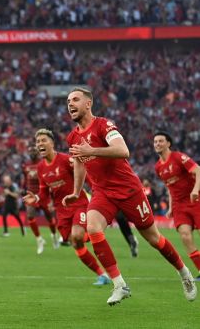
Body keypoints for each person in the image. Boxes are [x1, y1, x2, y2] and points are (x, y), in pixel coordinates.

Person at [63, 87, 196, 305]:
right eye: (68, 101)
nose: (70, 104)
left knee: (154, 239)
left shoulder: (104, 125)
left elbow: (123, 150)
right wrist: (76, 192)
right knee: (93, 228)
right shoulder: (73, 136)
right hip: (102, 192)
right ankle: (119, 284)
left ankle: (184, 273)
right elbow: (79, 161)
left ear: (88, 104)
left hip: (129, 190)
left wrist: (92, 151)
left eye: (75, 99)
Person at [23, 129, 110, 286]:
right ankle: (102, 275)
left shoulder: (65, 160)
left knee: (77, 236)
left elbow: (85, 175)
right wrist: (35, 198)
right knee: (76, 243)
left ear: (52, 143)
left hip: (78, 204)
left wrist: (97, 192)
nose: (40, 144)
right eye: (38, 142)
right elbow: (44, 193)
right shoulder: (41, 168)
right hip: (61, 211)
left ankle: (95, 229)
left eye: (43, 140)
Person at [154, 131, 200, 280]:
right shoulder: (158, 167)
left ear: (168, 143)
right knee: (185, 236)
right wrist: (170, 207)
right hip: (180, 206)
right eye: (155, 142)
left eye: (161, 141)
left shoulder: (179, 157)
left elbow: (198, 170)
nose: (157, 144)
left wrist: (195, 189)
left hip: (195, 201)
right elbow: (169, 187)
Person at [23, 146, 59, 253]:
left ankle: (53, 235)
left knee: (50, 219)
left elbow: (49, 179)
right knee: (30, 216)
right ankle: (39, 239)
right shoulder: (26, 165)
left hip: (43, 195)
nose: (32, 153)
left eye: (34, 151)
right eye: (30, 151)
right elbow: (25, 180)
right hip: (31, 195)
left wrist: (52, 197)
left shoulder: (43, 163)